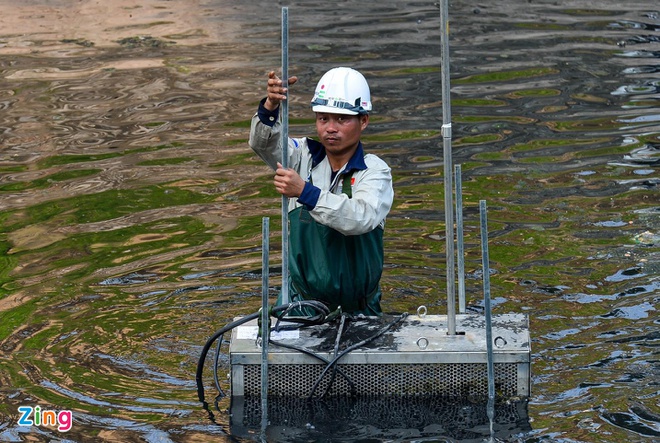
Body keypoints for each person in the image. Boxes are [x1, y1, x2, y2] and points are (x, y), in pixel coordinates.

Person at [249, 67, 394, 316]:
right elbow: (264, 144)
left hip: (359, 308)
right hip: (300, 304)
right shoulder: (302, 155)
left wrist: (305, 192)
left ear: (364, 121)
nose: (330, 128)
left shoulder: (374, 171)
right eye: (323, 118)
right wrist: (271, 106)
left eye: (342, 119)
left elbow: (360, 217)